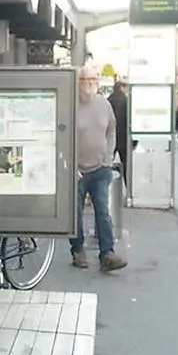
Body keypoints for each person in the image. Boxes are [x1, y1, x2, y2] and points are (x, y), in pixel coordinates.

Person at [72, 65, 128, 271]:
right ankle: (78, 250)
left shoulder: (104, 104)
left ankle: (107, 253)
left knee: (103, 211)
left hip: (100, 168)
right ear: (78, 82)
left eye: (94, 80)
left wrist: (108, 157)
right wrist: (70, 164)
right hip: (76, 170)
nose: (91, 84)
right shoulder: (70, 104)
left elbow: (111, 131)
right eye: (86, 80)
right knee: (75, 212)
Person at [107, 80, 131, 183]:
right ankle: (127, 186)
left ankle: (106, 186)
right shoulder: (126, 101)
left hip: (110, 136)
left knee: (107, 163)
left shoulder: (108, 100)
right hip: (123, 137)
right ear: (121, 88)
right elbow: (129, 120)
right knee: (125, 163)